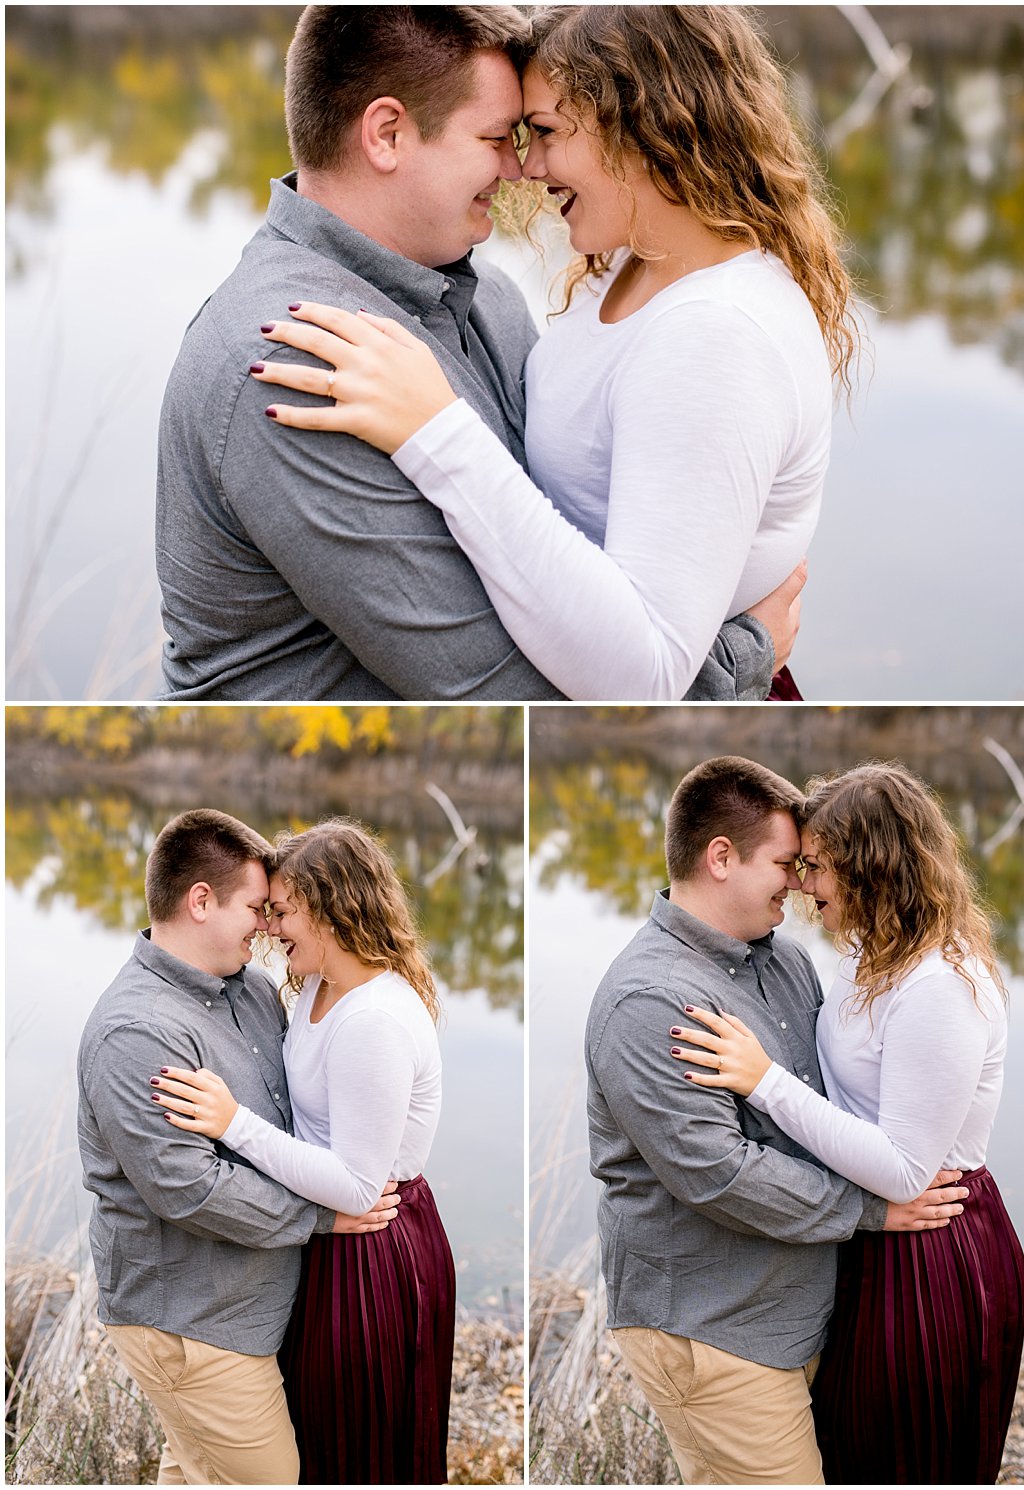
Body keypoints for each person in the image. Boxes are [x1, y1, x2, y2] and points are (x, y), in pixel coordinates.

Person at [157, 4, 793, 702]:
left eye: (528, 134)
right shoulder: (297, 355)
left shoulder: (487, 295)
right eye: (496, 137)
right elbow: (501, 689)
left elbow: (560, 554)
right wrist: (742, 656)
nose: (519, 166)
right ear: (388, 134)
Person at [584, 756, 970, 1486]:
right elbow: (719, 1173)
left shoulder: (786, 961)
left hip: (805, 1310)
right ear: (721, 858)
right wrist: (872, 1209)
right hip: (716, 1326)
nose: (800, 884)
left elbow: (830, 1110)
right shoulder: (650, 999)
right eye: (787, 864)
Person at [671, 762, 1024, 1484]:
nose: (804, 884)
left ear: (872, 868)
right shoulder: (869, 952)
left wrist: (763, 1081)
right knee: (854, 1450)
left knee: (904, 1459)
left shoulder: (941, 984)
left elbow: (904, 1169)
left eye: (820, 866)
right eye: (801, 864)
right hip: (873, 1232)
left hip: (932, 1242)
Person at [76, 809, 396, 1487]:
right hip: (193, 1321)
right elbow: (187, 1187)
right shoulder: (136, 1031)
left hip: (253, 1306)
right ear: (199, 901)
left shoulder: (251, 989)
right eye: (256, 908)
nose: (268, 926)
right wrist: (321, 1217)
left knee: (195, 1471)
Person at [151, 819, 455, 1486]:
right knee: (316, 1438)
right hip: (326, 1238)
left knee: (354, 1450)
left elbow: (353, 1185)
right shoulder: (319, 986)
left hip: (371, 1245)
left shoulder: (372, 1020)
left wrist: (233, 1124)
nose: (269, 927)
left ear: (331, 908)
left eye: (281, 911)